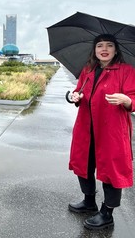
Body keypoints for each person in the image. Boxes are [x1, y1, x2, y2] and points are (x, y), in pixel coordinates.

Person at [68, 33, 135, 230]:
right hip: (86, 128)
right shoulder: (88, 70)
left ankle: (107, 213)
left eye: (109, 45)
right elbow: (79, 91)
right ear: (94, 50)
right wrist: (73, 96)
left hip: (112, 130)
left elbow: (133, 96)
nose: (104, 49)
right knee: (84, 165)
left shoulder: (126, 70)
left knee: (111, 170)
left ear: (116, 50)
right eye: (100, 46)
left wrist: (128, 100)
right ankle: (89, 201)